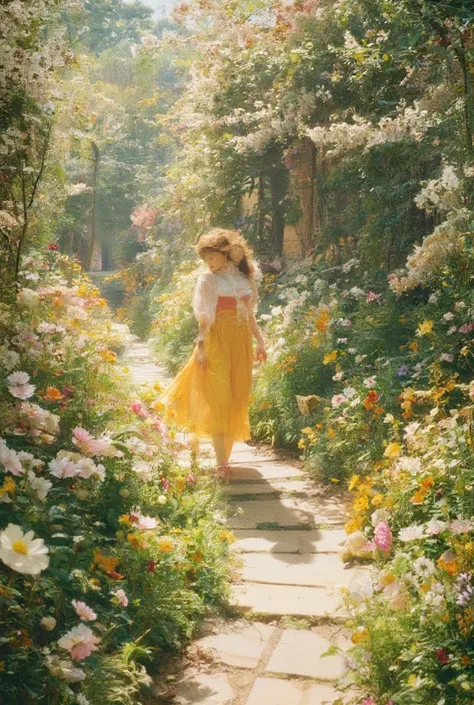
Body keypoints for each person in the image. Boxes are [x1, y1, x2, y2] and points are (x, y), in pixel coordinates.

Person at [162, 228, 267, 480]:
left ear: (227, 253)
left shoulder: (245, 279)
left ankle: (224, 459)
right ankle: (221, 465)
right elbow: (204, 319)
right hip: (216, 342)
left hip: (241, 344)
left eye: (213, 256)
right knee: (220, 397)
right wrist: (200, 348)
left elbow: (250, 316)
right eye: (206, 257)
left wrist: (261, 343)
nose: (209, 262)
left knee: (235, 398)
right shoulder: (207, 281)